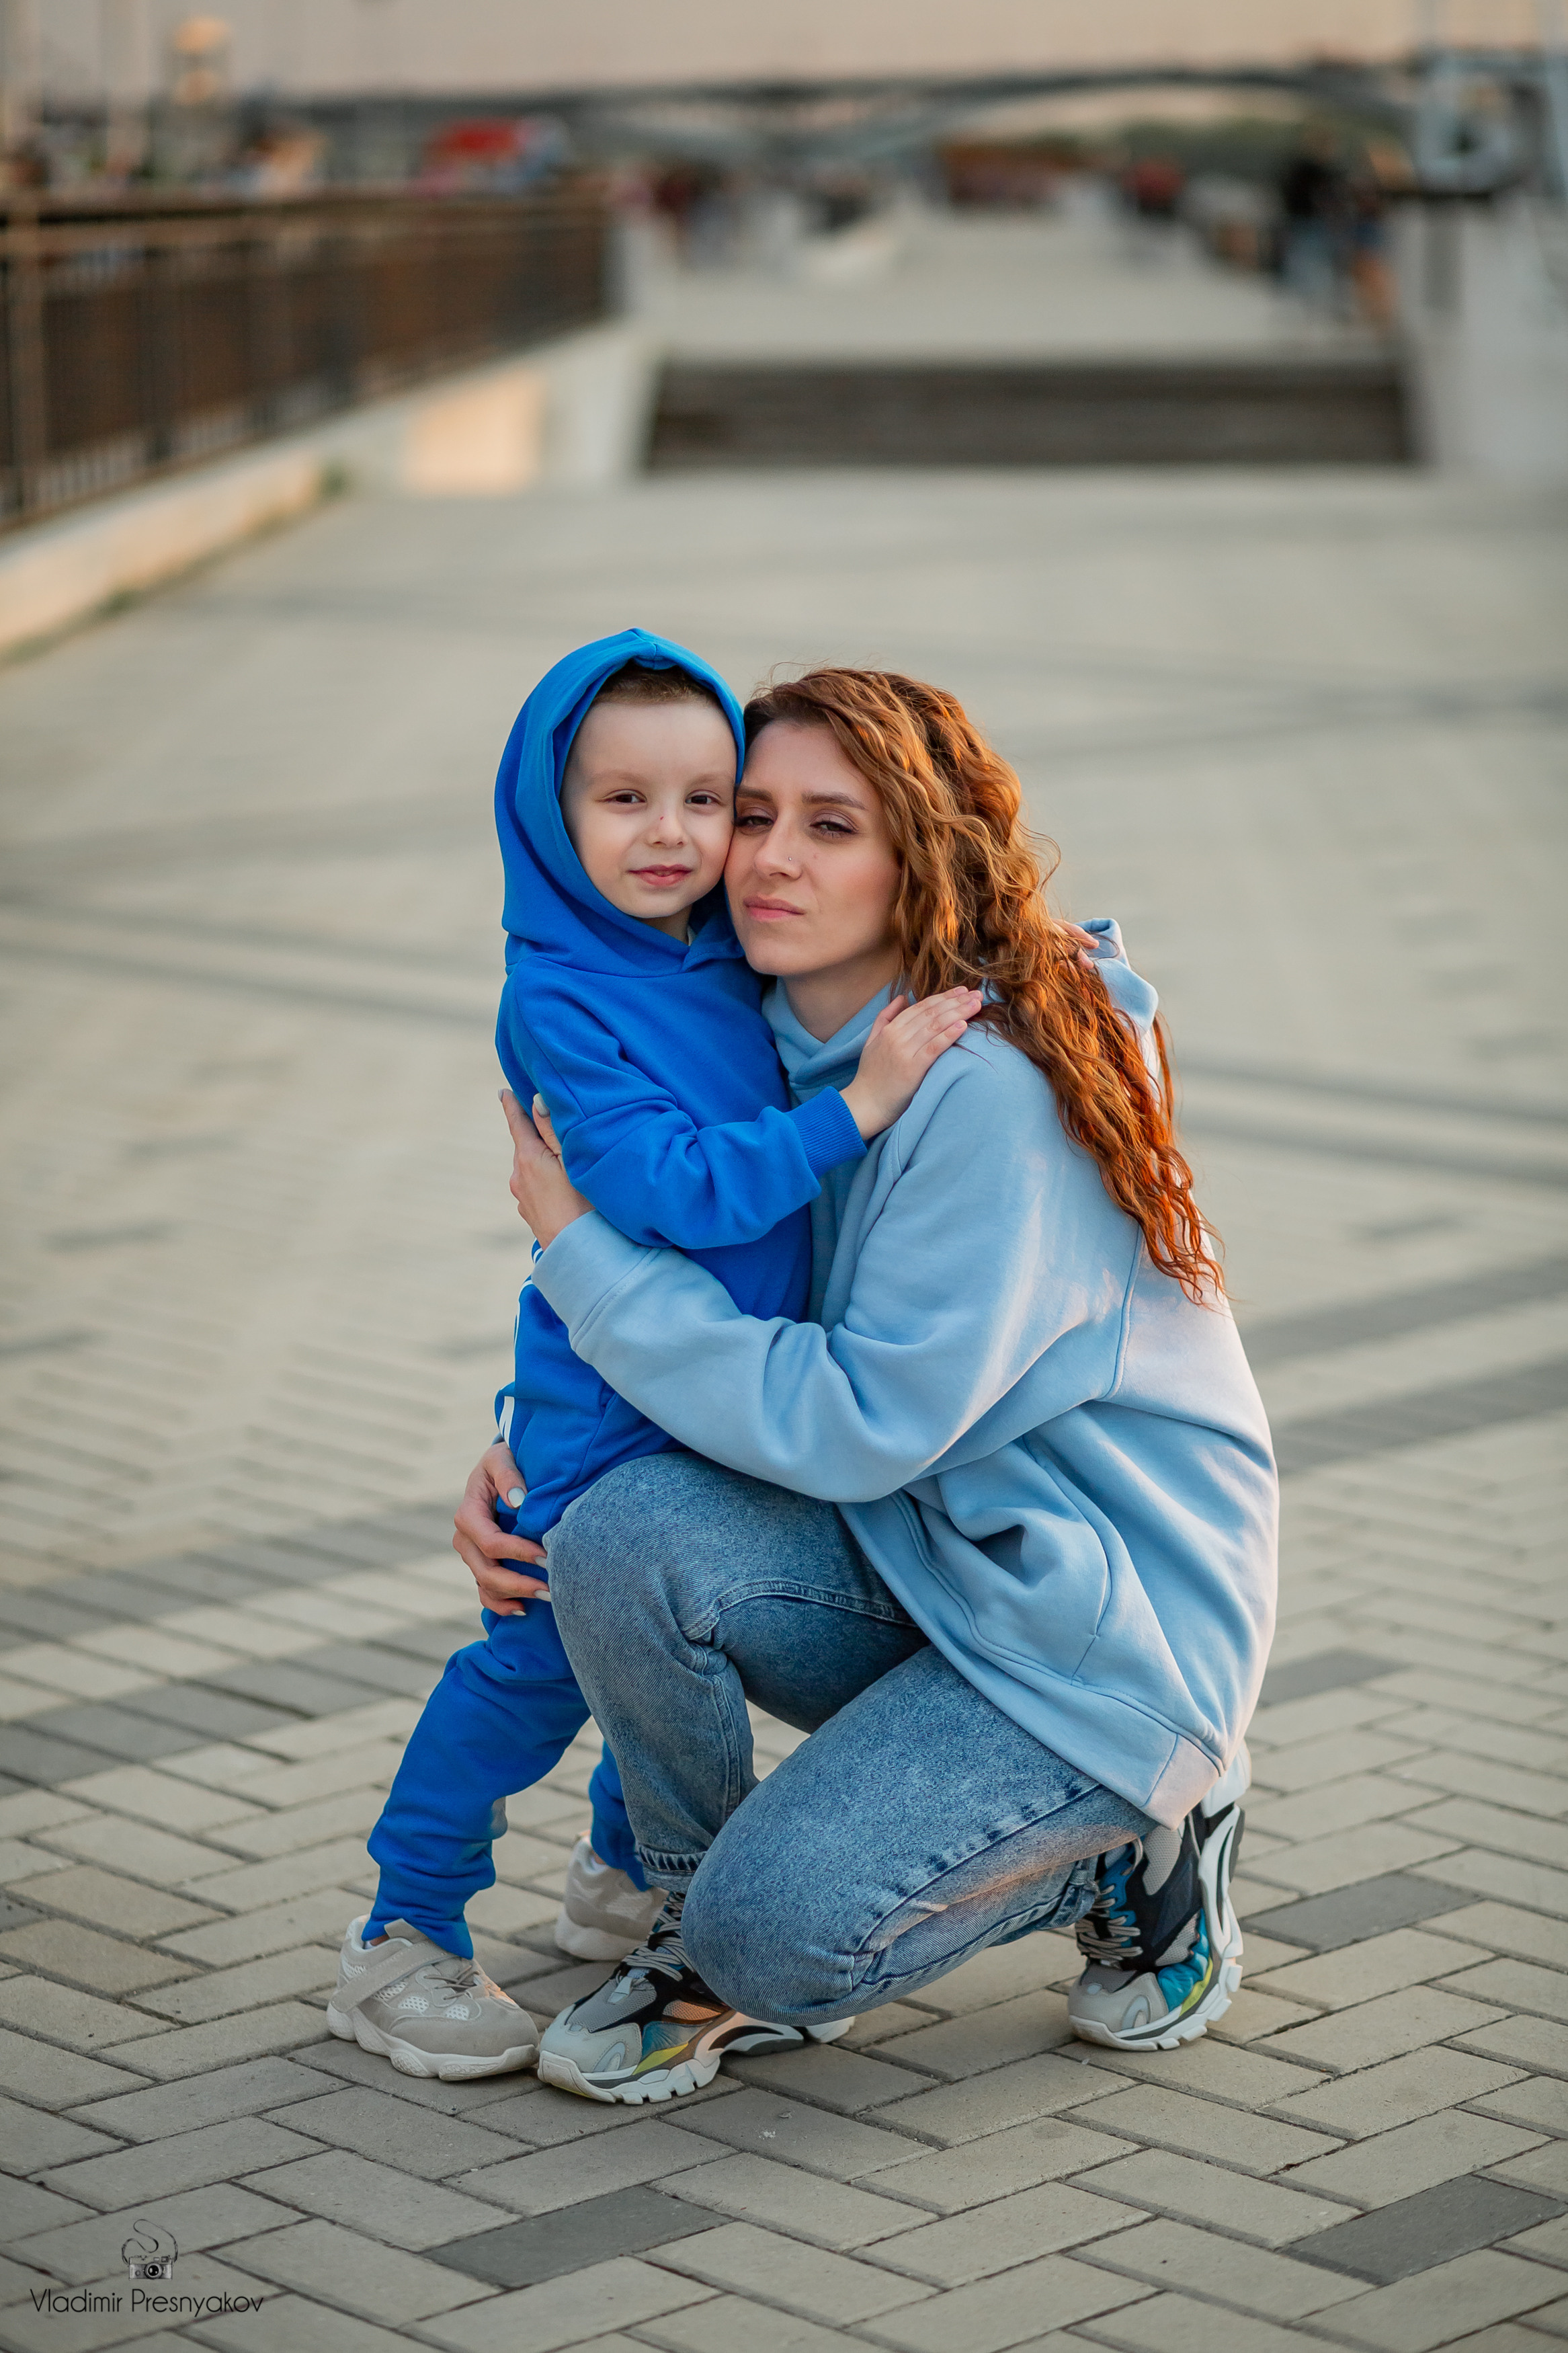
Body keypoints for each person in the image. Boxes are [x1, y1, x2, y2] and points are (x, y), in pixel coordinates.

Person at [461, 666, 1278, 2105]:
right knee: (614, 1530)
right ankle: (706, 1936)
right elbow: (717, 1289)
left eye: (831, 826)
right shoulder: (772, 1043)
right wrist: (520, 1438)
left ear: (922, 855)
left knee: (783, 1931)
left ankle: (1136, 1840)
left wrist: (581, 1258)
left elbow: (852, 1418)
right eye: (753, 811)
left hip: (1094, 1635)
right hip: (925, 1553)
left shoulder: (988, 1093)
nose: (768, 857)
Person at [330, 631, 977, 2081]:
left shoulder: (718, 950)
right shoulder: (564, 993)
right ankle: (400, 1931)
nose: (678, 835)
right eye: (624, 801)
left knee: (665, 1641)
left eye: (710, 797)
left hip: (717, 1386)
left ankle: (625, 1872)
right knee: (534, 1661)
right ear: (547, 819)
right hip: (614, 1403)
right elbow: (676, 1188)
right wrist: (860, 1109)